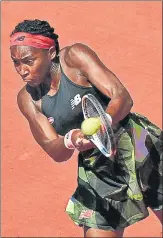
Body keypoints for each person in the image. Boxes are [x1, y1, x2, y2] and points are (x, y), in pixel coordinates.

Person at [10, 19, 162, 237]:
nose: (22, 70)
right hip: (99, 171)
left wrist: (104, 123)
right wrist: (71, 139)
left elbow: (122, 97)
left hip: (140, 146)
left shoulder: (74, 58)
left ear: (51, 52)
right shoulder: (28, 99)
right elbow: (54, 149)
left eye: (28, 61)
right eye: (15, 62)